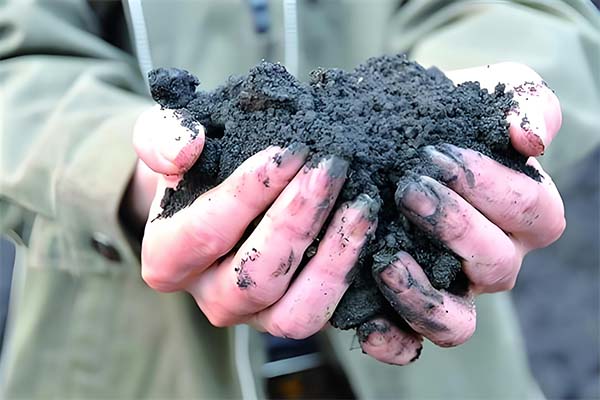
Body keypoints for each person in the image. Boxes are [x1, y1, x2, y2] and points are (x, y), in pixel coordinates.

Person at [0, 0, 598, 399]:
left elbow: (526, 9)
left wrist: (484, 116)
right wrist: (132, 173)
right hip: (125, 360)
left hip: (429, 341)